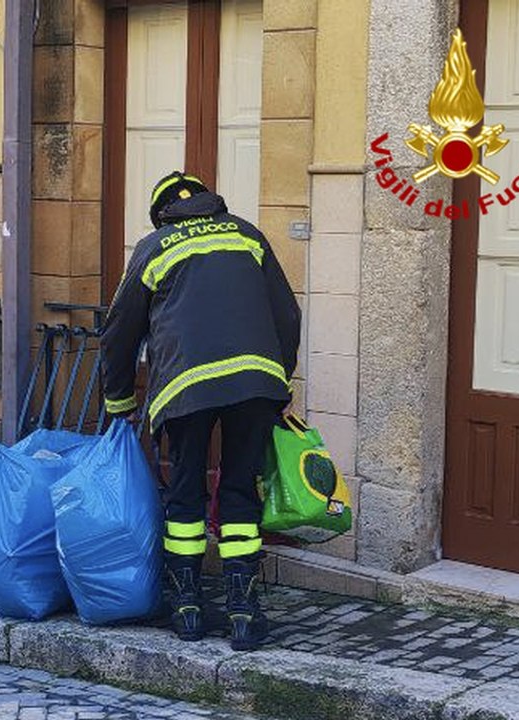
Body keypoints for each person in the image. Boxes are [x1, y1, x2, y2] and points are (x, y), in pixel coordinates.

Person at [100, 171, 301, 650]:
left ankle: (187, 606)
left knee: (186, 490)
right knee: (238, 490)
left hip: (185, 387)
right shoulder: (248, 235)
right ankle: (243, 610)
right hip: (256, 381)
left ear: (162, 212)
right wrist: (278, 381)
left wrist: (120, 403)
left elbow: (118, 332)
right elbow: (287, 316)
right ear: (213, 203)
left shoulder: (156, 246)